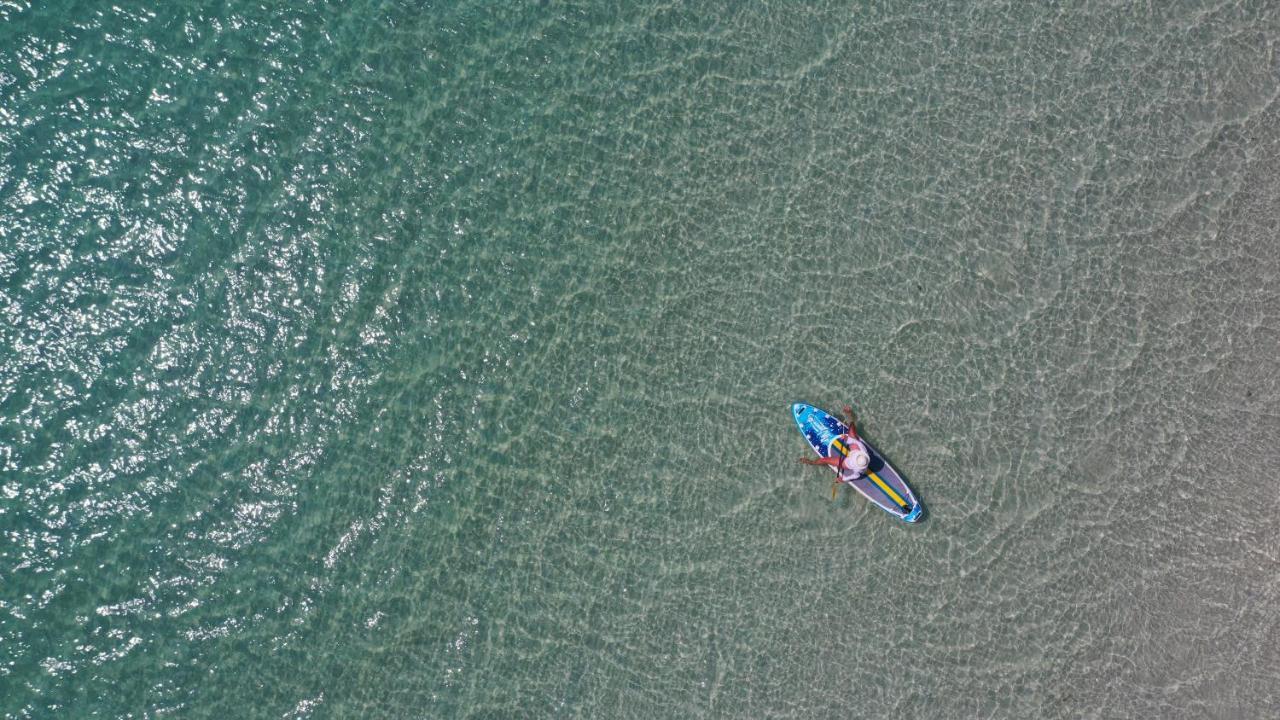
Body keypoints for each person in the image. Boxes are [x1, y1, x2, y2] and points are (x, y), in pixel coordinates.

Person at [798, 405, 870, 484]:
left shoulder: (859, 469)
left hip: (848, 462)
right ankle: (849, 414)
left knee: (824, 460)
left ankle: (812, 462)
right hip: (855, 451)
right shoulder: (863, 450)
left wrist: (843, 479)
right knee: (852, 431)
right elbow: (855, 442)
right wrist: (846, 438)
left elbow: (855, 476)